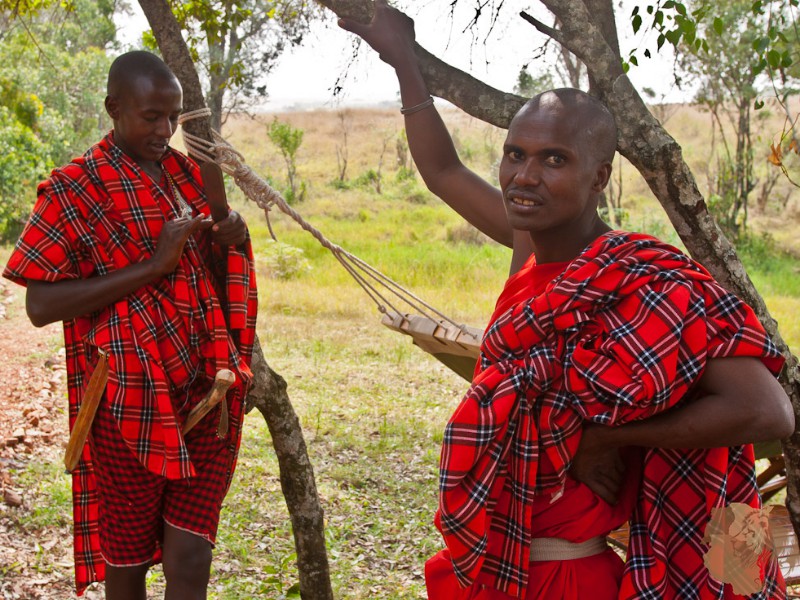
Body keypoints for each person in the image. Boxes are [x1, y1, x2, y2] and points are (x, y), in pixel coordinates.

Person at [338, 3, 794, 599]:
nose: (525, 176)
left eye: (555, 159)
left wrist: (605, 439)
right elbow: (443, 169)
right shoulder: (528, 245)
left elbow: (767, 413)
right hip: (497, 564)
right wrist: (403, 59)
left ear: (600, 177)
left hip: (575, 573)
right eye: (515, 154)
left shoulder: (652, 284)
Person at [3, 51, 258, 600]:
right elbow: (40, 305)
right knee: (129, 563)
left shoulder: (187, 176)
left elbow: (212, 275)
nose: (165, 131)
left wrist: (230, 238)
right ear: (113, 109)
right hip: (126, 401)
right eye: (150, 117)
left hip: (205, 391)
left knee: (191, 557)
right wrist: (151, 267)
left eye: (173, 117)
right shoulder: (74, 191)